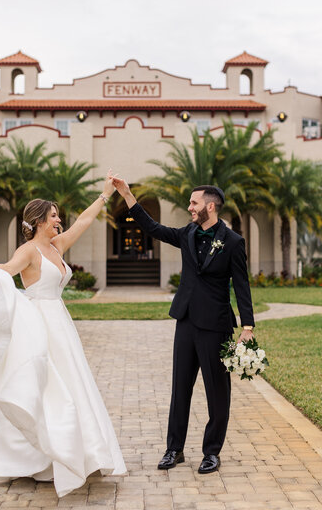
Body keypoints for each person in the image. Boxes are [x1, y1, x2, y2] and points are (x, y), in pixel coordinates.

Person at [0, 170, 126, 498]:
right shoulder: (29, 251)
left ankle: (77, 453)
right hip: (37, 325)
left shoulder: (57, 245)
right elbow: (7, 270)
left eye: (58, 216)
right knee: (43, 387)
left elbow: (84, 223)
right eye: (53, 216)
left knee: (72, 385)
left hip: (61, 324)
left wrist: (105, 195)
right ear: (38, 221)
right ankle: (33, 461)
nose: (59, 220)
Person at [112, 178, 254, 475]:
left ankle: (211, 452)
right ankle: (174, 449)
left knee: (218, 391)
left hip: (216, 325)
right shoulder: (187, 233)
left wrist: (247, 326)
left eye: (194, 203)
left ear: (210, 206)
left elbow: (242, 285)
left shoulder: (233, 242)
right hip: (186, 321)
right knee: (180, 389)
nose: (190, 207)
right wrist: (127, 194)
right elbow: (153, 228)